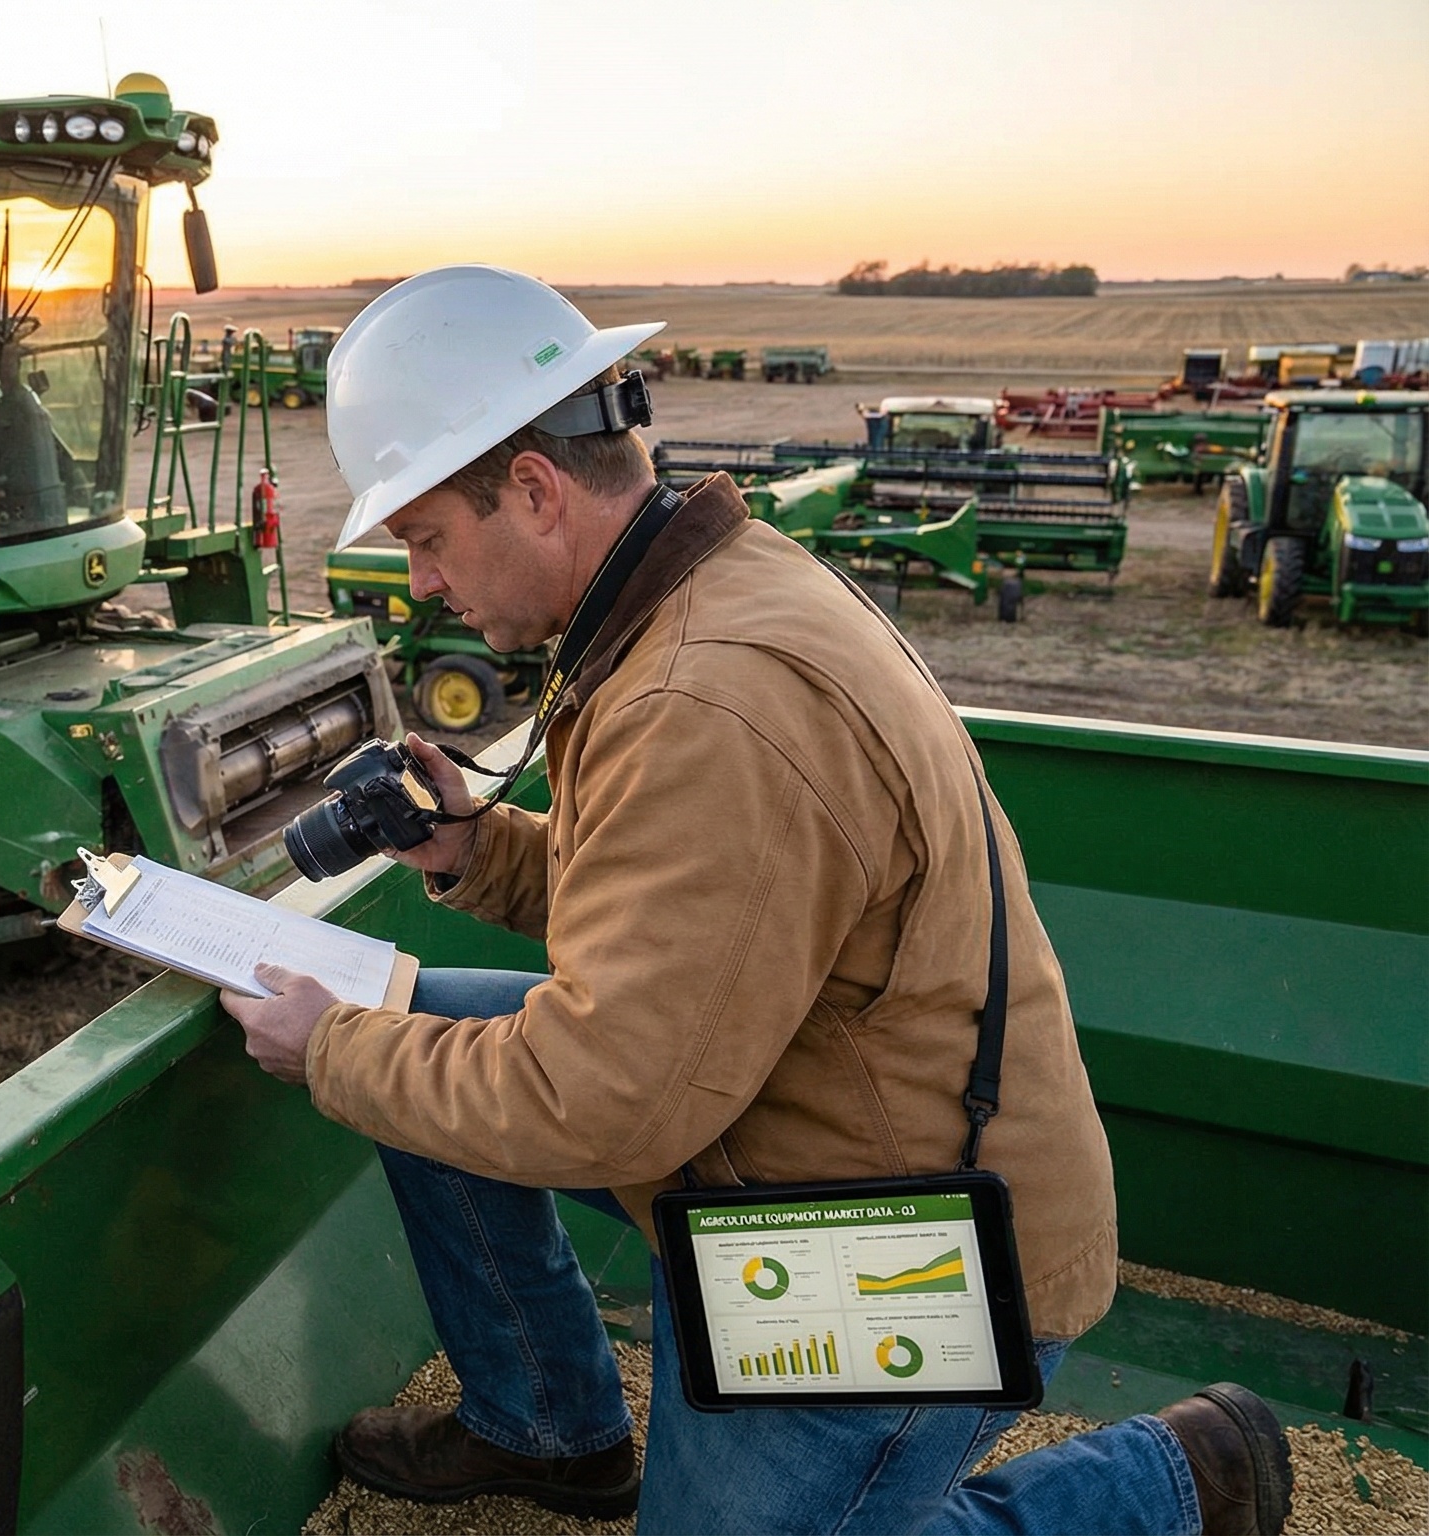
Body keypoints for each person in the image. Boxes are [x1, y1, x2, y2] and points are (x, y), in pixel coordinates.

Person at [219, 266, 1293, 1536]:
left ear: (531, 489)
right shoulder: (701, 588)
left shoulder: (704, 698)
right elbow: (693, 917)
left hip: (905, 1241)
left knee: (390, 1044)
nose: (425, 587)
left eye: (425, 539)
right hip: (796, 1129)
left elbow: (602, 1100)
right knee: (427, 1011)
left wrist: (333, 1049)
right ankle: (549, 1426)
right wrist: (475, 852)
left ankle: (1176, 1481)